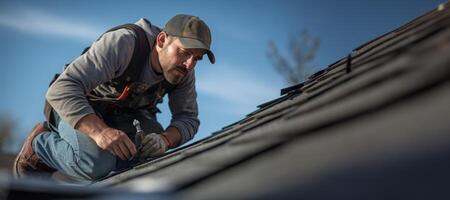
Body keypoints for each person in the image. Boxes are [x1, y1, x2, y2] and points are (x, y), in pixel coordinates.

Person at [13, 14, 215, 181]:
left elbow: (188, 118)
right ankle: (38, 147)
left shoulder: (184, 71)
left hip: (124, 117)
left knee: (147, 156)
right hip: (77, 105)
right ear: (162, 40)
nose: (189, 64)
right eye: (184, 53)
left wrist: (164, 140)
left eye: (196, 59)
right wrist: (101, 133)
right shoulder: (126, 42)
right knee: (95, 164)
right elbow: (62, 89)